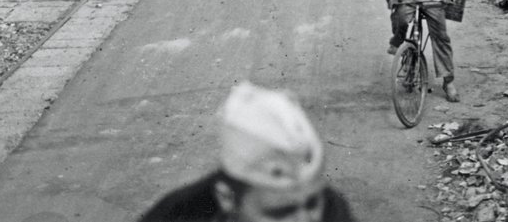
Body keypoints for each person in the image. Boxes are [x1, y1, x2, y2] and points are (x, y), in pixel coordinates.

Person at [139, 82, 354, 222]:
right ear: (227, 198)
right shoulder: (173, 216)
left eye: (312, 204)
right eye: (280, 212)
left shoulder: (333, 211)